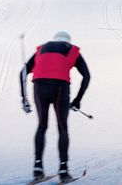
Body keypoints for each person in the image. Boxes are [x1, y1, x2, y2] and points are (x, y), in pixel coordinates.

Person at [19, 31, 90, 182]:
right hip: (60, 87)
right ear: (68, 41)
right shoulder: (72, 49)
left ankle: (37, 168)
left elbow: (23, 73)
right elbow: (87, 76)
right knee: (62, 127)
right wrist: (77, 100)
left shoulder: (42, 48)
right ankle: (63, 170)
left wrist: (24, 99)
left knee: (42, 126)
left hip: (39, 86)